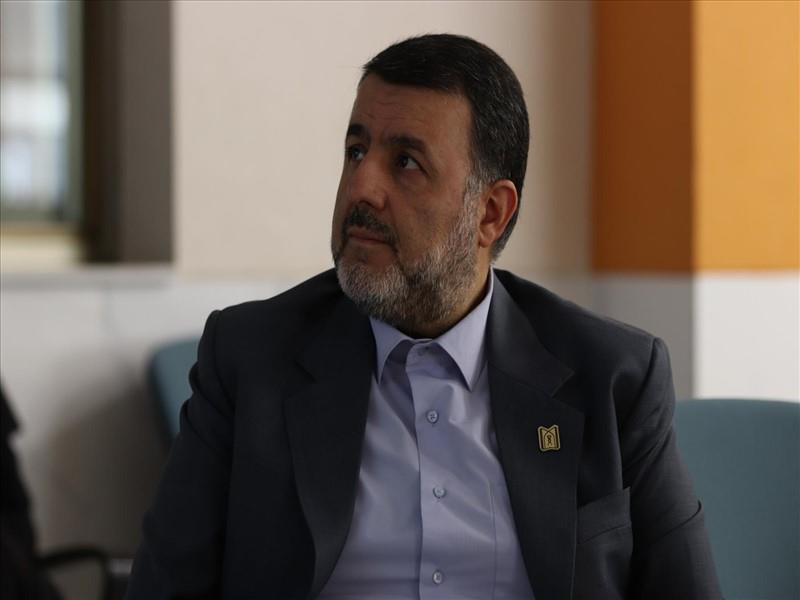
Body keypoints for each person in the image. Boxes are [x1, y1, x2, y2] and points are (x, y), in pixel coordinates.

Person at [126, 34, 721, 599]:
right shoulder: (250, 358)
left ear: (490, 213)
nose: (362, 187)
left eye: (406, 162)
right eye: (356, 151)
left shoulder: (613, 377)